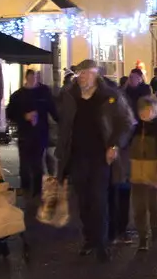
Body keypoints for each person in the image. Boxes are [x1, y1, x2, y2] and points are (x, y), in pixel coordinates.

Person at [55, 59, 131, 263]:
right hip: (77, 155)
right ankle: (89, 238)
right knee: (83, 201)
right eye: (80, 73)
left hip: (100, 157)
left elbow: (126, 122)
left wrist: (114, 145)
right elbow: (61, 122)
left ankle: (102, 243)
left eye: (87, 73)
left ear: (96, 75)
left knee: (99, 200)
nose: (83, 77)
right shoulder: (69, 96)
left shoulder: (110, 96)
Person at [5, 68, 57, 209]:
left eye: (36, 78)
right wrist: (24, 116)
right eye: (31, 78)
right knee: (25, 162)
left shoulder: (44, 92)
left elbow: (53, 109)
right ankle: (26, 187)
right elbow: (10, 113)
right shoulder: (18, 95)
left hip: (41, 133)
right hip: (24, 133)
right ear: (26, 78)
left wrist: (62, 121)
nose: (34, 80)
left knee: (37, 162)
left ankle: (36, 190)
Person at [127, 96, 157, 251]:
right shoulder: (135, 128)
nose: (144, 113)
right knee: (138, 207)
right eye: (142, 110)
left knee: (153, 205)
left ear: (155, 110)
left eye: (148, 110)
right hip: (137, 173)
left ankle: (155, 230)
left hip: (153, 172)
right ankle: (143, 237)